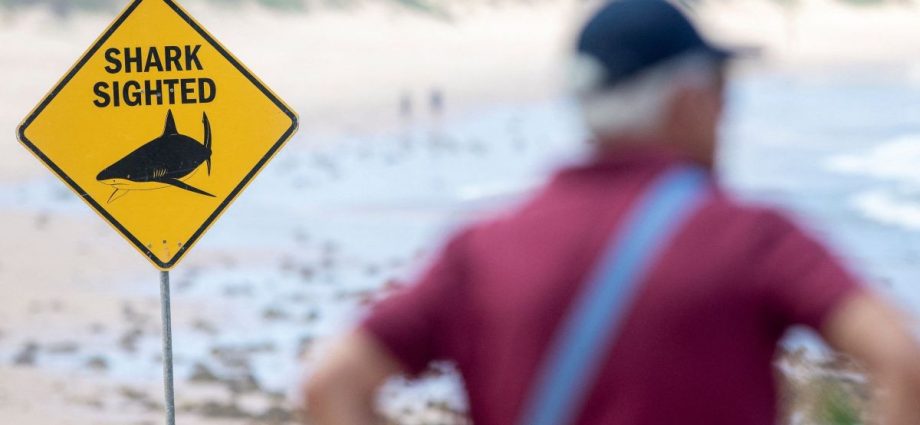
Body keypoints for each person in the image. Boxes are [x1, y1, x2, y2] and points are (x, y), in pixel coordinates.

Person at [303, 1, 920, 424]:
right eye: (719, 91)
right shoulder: (751, 238)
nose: (725, 112)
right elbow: (899, 358)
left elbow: (333, 381)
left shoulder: (480, 250)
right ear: (685, 101)